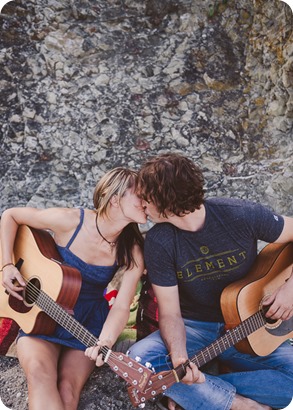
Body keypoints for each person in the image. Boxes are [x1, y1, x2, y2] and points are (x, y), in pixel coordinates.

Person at [126, 152, 293, 410]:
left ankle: (198, 391)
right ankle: (240, 405)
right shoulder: (160, 241)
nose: (142, 205)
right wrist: (180, 358)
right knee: (139, 361)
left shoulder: (240, 215)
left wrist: (290, 288)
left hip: (250, 325)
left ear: (164, 200)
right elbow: (170, 313)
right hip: (195, 328)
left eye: (145, 197)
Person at [0, 167, 147, 410]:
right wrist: (6, 266)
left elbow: (121, 305)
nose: (147, 202)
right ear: (115, 199)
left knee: (68, 391)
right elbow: (11, 216)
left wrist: (106, 342)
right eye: (140, 195)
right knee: (39, 374)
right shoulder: (71, 221)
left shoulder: (132, 250)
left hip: (85, 325)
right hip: (40, 317)